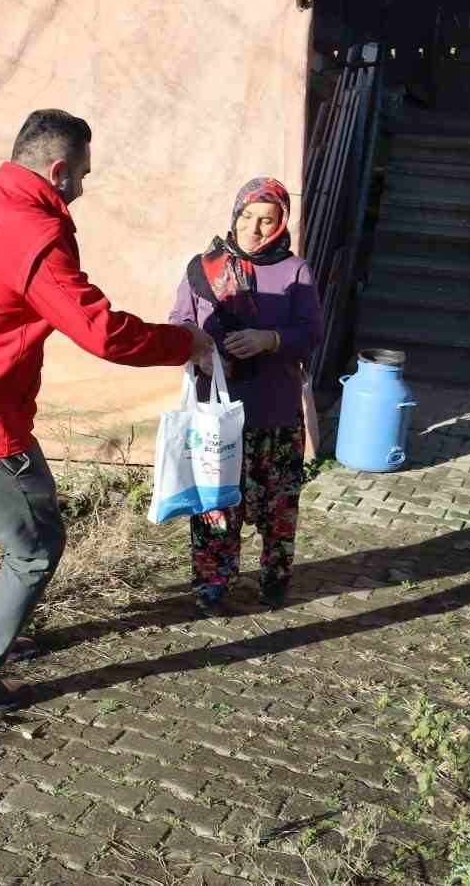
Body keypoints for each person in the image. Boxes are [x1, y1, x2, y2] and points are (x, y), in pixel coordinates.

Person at [0, 109, 214, 717]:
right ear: (58, 170)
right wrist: (185, 342)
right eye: (82, 175)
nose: (82, 189)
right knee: (36, 547)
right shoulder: (31, 232)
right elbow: (102, 333)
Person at [167, 177, 321, 613]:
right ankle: (213, 580)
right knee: (215, 502)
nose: (253, 228)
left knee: (277, 505)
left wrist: (269, 339)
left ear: (280, 225)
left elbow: (311, 333)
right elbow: (180, 320)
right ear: (235, 216)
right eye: (247, 217)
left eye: (266, 220)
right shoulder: (203, 267)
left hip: (274, 410)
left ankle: (275, 578)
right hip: (216, 412)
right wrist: (196, 349)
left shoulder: (295, 271)